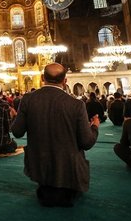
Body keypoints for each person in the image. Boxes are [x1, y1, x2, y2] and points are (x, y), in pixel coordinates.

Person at [12, 63, 99, 207]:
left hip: (39, 167)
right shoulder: (76, 104)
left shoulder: (28, 99)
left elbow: (17, 131)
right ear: (65, 81)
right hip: (68, 170)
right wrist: (95, 126)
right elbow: (86, 142)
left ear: (41, 78)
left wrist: (15, 116)